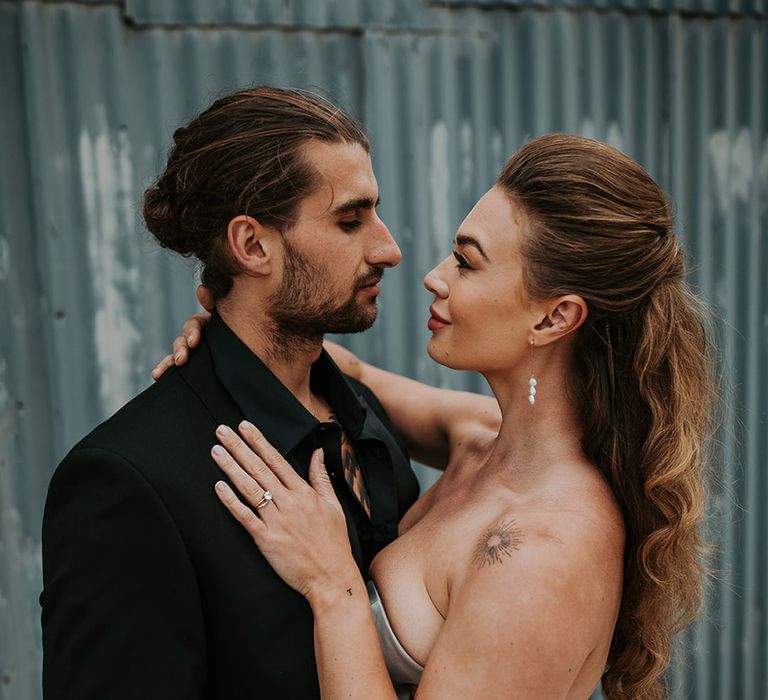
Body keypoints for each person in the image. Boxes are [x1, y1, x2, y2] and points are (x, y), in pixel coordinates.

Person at [163, 134, 716, 699]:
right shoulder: (479, 438)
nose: (434, 275)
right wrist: (229, 329)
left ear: (554, 319)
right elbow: (343, 373)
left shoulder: (541, 556)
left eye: (466, 262)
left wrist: (334, 587)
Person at [40, 86, 423, 699]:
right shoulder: (130, 480)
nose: (388, 248)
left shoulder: (363, 416)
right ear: (251, 246)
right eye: (350, 220)